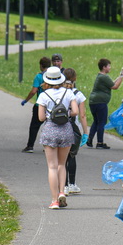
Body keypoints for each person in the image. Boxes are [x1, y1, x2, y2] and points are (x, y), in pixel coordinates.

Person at [36, 66, 79, 209]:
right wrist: (65, 113)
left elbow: (41, 118)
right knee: (62, 164)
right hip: (66, 130)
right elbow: (75, 111)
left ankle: (54, 200)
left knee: (52, 167)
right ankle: (62, 192)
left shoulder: (43, 95)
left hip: (50, 130)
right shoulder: (69, 93)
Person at [87, 58, 123, 149]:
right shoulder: (104, 77)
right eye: (109, 66)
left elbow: (111, 83)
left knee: (96, 121)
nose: (110, 67)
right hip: (100, 102)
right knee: (102, 122)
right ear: (104, 67)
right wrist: (121, 76)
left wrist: (120, 76)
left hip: (93, 102)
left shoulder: (101, 76)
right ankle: (100, 143)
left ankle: (89, 140)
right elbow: (115, 86)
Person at [62, 68, 89, 195]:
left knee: (62, 158)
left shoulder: (58, 92)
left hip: (60, 126)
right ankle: (72, 184)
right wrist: (85, 132)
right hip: (74, 128)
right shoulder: (78, 95)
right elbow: (82, 115)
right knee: (71, 156)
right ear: (75, 79)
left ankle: (64, 185)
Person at [20, 56, 52, 153]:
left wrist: (26, 100)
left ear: (41, 66)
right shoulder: (53, 76)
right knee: (50, 126)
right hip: (51, 105)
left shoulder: (39, 76)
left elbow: (34, 91)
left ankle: (30, 146)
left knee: (34, 126)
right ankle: (49, 146)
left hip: (40, 106)